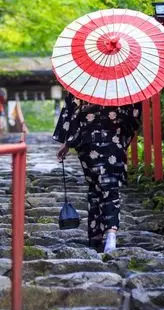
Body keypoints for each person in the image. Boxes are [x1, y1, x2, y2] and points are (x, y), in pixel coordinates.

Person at [52, 91, 142, 253]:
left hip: (89, 141)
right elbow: (133, 117)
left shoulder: (83, 85)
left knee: (99, 186)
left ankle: (102, 234)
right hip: (113, 141)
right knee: (106, 185)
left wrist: (67, 141)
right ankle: (106, 234)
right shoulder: (123, 86)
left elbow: (71, 113)